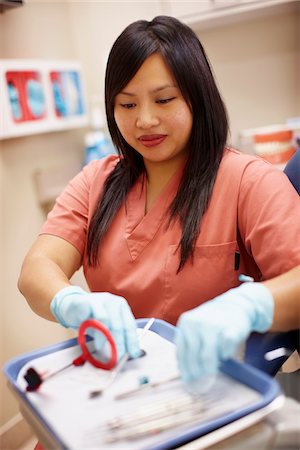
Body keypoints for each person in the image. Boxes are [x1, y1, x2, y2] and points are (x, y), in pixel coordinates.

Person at [18, 15, 300, 383]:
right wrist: (73, 302)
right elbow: (36, 269)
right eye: (127, 105)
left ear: (197, 97)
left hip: (207, 388)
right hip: (114, 382)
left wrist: (248, 306)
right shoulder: (95, 181)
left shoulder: (248, 181)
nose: (145, 120)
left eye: (163, 100)